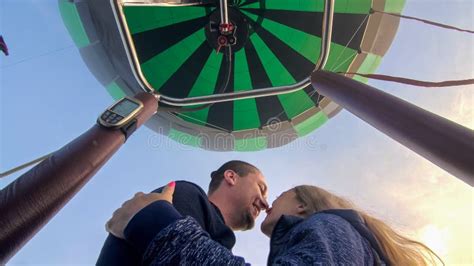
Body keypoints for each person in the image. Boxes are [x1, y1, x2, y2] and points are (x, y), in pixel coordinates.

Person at [107, 183, 443, 266]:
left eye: (276, 193)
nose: (268, 202)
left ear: (301, 204)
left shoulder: (332, 226)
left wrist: (156, 223)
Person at [97, 160, 269, 265]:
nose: (265, 203)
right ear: (231, 177)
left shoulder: (220, 247)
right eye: (261, 189)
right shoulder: (188, 194)